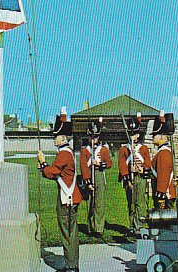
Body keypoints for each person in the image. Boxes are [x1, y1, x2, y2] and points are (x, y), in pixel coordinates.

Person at [37, 107, 82, 272]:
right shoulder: (67, 152)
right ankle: (72, 263)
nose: (54, 139)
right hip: (70, 196)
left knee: (67, 233)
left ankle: (71, 266)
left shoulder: (63, 154)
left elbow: (51, 172)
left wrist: (43, 163)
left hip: (66, 198)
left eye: (56, 136)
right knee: (71, 232)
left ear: (63, 138)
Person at [118, 112, 152, 235]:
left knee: (140, 202)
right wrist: (127, 179)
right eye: (131, 134)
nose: (133, 136)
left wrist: (140, 169)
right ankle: (132, 226)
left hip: (140, 178)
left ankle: (140, 226)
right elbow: (122, 165)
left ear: (138, 135)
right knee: (131, 203)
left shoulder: (143, 149)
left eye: (135, 134)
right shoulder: (124, 149)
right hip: (129, 180)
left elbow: (148, 164)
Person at [80, 117, 113, 235]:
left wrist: (99, 163)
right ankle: (91, 227)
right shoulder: (85, 151)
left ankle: (99, 228)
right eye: (92, 137)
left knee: (99, 203)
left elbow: (110, 163)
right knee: (90, 203)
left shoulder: (103, 149)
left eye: (96, 137)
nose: (94, 139)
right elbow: (83, 166)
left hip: (99, 175)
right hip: (89, 175)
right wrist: (87, 182)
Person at [151, 111, 176, 210]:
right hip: (164, 193)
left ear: (161, 137)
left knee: (166, 221)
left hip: (165, 195)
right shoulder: (163, 152)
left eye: (155, 135)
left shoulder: (163, 153)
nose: (153, 137)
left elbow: (163, 175)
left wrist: (160, 196)